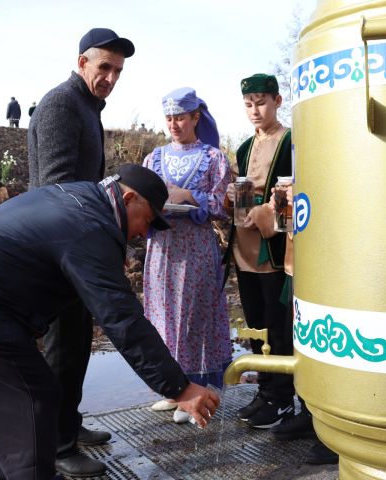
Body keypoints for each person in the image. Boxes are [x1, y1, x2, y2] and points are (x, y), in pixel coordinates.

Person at [0, 164, 220, 480]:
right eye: (147, 220)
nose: (143, 233)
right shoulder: (91, 228)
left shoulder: (81, 197)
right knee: (33, 398)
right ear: (128, 199)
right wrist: (179, 387)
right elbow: (121, 318)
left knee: (2, 402)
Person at [27, 27, 135, 477]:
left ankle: (68, 423)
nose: (110, 76)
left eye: (117, 70)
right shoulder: (61, 105)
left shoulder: (88, 108)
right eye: (103, 66)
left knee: (77, 345)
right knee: (62, 348)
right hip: (58, 249)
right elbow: (58, 187)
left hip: (76, 244)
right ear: (81, 63)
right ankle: (57, 444)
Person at [142, 87, 232, 423]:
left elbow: (222, 207)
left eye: (180, 117)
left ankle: (199, 388)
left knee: (194, 316)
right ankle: (172, 387)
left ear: (195, 117)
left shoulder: (213, 158)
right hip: (162, 247)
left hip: (195, 248)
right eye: (169, 118)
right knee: (162, 316)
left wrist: (190, 197)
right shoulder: (154, 158)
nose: (174, 124)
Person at [226, 74, 294, 428]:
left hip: (275, 249)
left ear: (278, 101)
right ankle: (265, 391)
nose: (255, 110)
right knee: (256, 325)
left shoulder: (291, 141)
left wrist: (267, 211)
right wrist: (233, 200)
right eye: (249, 104)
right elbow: (245, 188)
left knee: (279, 326)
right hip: (245, 247)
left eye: (262, 102)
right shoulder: (243, 146)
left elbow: (293, 190)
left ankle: (282, 398)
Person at [266, 185, 340, 465]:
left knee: (333, 339)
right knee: (303, 339)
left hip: (335, 258)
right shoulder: (303, 145)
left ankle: (337, 430)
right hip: (300, 261)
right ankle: (310, 415)